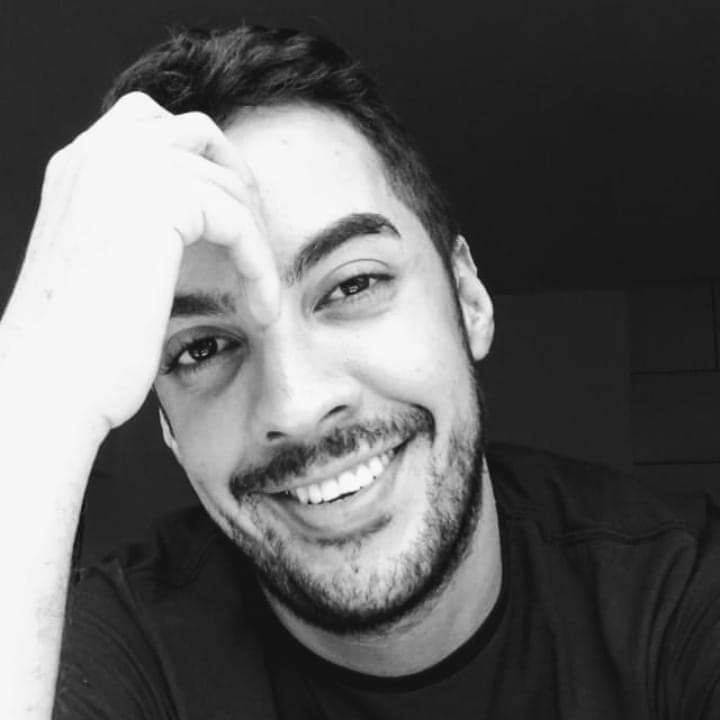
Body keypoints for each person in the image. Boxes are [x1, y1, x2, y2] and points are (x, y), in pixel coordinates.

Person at [0, 24, 718, 720]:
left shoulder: (678, 593)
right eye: (203, 348)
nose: (297, 405)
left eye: (353, 285)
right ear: (167, 426)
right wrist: (33, 391)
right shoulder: (116, 646)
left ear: (468, 299)